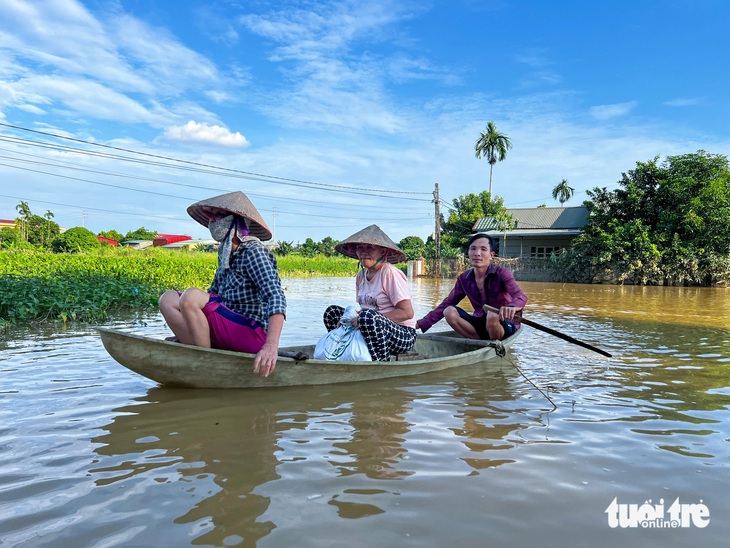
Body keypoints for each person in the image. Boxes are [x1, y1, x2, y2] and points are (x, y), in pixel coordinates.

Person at [158, 191, 286, 377]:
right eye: (211, 216)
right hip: (226, 326)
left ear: (236, 221)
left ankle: (207, 363)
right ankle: (195, 345)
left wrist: (271, 345)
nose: (212, 221)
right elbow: (213, 293)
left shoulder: (253, 251)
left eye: (218, 216)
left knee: (191, 296)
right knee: (167, 299)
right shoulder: (225, 252)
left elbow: (275, 295)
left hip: (251, 333)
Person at [324, 224, 416, 362]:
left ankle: (381, 363)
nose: (364, 252)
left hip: (402, 334)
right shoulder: (361, 276)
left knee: (366, 317)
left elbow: (407, 313)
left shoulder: (390, 273)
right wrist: (347, 321)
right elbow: (367, 309)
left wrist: (364, 319)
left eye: (370, 248)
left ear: (383, 252)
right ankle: (339, 353)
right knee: (332, 313)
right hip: (371, 326)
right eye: (360, 248)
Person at [417, 233, 527, 340]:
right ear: (468, 252)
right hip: (480, 322)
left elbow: (520, 295)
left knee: (492, 315)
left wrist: (511, 307)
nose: (477, 253)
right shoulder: (464, 279)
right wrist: (420, 323)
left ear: (491, 255)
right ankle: (478, 342)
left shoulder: (502, 273)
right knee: (448, 311)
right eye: (473, 249)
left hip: (503, 324)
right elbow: (447, 303)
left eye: (483, 249)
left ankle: (494, 345)